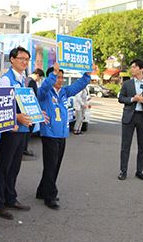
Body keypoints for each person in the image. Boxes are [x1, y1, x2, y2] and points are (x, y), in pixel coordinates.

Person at [36, 63, 91, 209]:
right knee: (51, 166)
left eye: (61, 77)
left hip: (62, 133)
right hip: (49, 134)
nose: (59, 80)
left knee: (55, 165)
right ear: (50, 77)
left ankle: (42, 191)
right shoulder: (45, 92)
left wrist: (87, 75)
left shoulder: (64, 92)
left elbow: (78, 85)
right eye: (56, 77)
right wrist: (52, 74)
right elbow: (44, 88)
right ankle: (50, 196)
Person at [0, 46, 34, 219]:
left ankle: (11, 197)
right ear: (12, 60)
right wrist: (17, 117)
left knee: (15, 166)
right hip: (11, 130)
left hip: (23, 130)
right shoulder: (6, 80)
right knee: (4, 166)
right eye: (21, 58)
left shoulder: (24, 79)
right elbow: (0, 107)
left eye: (27, 59)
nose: (24, 62)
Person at [118, 59, 143, 182]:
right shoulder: (127, 84)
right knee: (125, 145)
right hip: (129, 116)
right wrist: (132, 99)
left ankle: (139, 171)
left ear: (141, 69)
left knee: (142, 146)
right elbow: (121, 98)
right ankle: (123, 171)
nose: (132, 69)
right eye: (132, 67)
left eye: (134, 67)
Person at [24, 68, 45, 156]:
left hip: (24, 109)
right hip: (29, 109)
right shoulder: (32, 82)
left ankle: (23, 147)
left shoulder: (25, 79)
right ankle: (24, 148)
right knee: (28, 130)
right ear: (37, 75)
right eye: (40, 78)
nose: (39, 80)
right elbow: (34, 96)